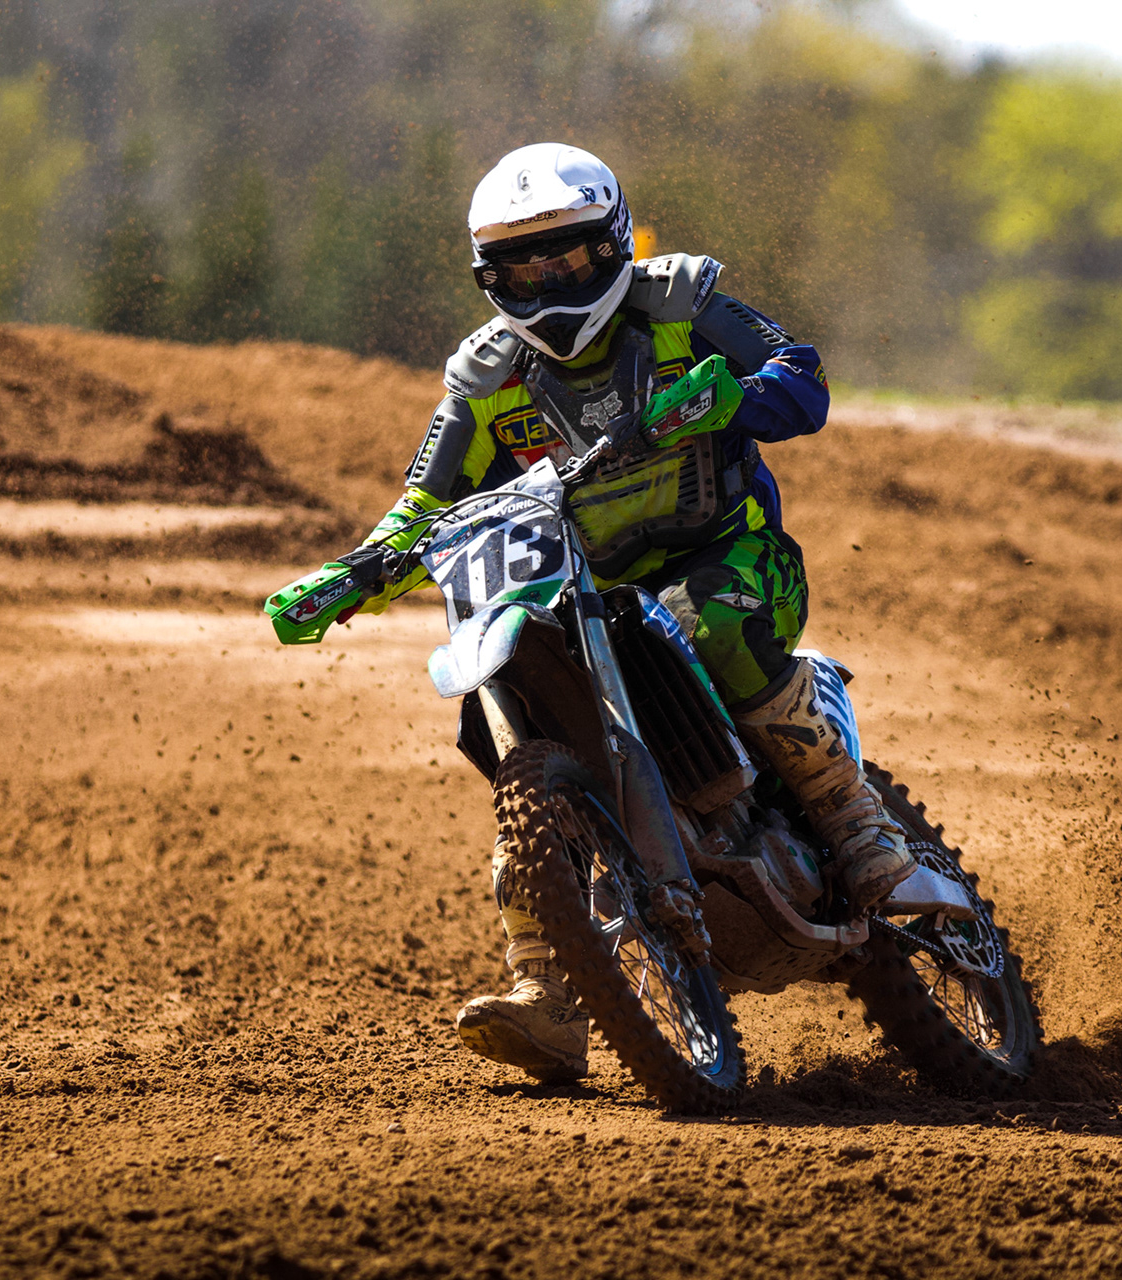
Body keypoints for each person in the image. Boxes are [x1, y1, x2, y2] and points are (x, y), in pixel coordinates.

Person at [280, 143, 913, 1082]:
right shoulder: (484, 377)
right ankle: (548, 985)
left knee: (709, 623)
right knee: (510, 719)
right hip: (580, 590)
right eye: (521, 269)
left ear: (612, 242)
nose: (546, 282)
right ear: (489, 278)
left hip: (727, 556)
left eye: (565, 258)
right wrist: (349, 572)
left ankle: (857, 823)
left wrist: (733, 397)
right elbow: (422, 505)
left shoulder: (682, 303)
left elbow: (802, 376)